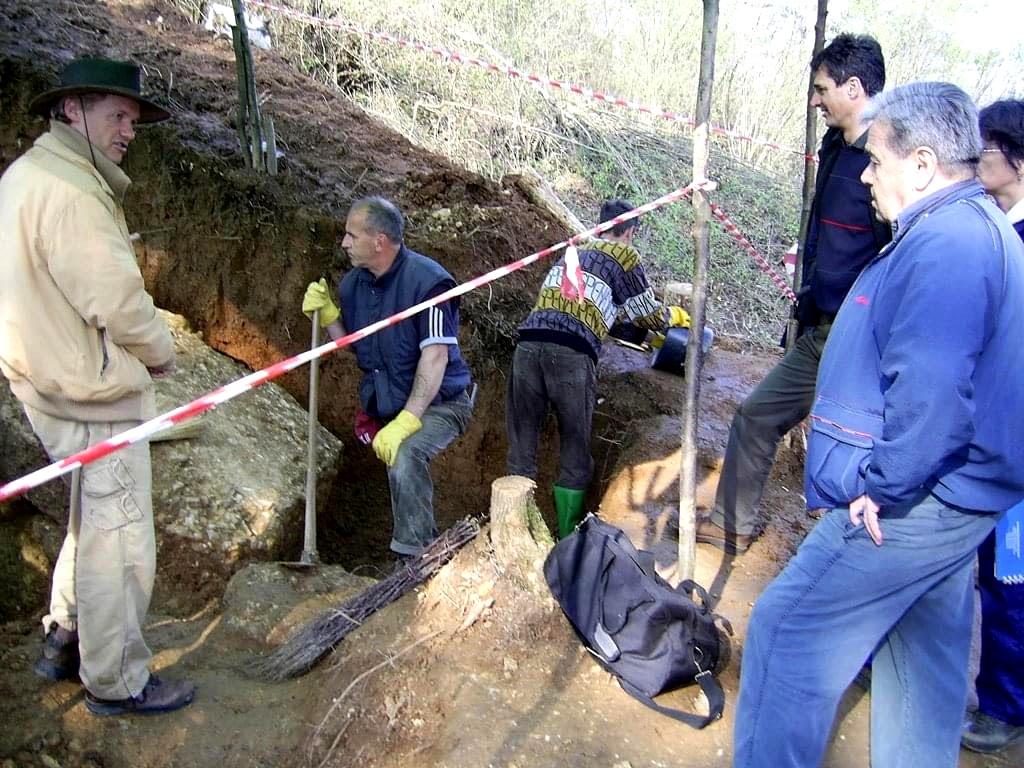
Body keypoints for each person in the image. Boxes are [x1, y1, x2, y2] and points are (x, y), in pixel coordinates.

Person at [734, 82, 1024, 768]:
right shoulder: (973, 228)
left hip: (922, 497)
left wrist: (885, 487)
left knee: (784, 630)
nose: (865, 174)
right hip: (963, 495)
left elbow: (934, 396)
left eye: (877, 160)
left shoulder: (949, 245)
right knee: (920, 655)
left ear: (922, 165)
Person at [0, 58, 195, 715]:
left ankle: (64, 637)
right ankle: (116, 680)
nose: (128, 131)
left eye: (133, 121)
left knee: (91, 520)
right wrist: (161, 353)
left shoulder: (27, 175)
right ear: (71, 111)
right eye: (118, 115)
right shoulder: (75, 194)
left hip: (46, 382)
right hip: (94, 393)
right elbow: (116, 298)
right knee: (120, 540)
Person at [697, 34, 890, 554]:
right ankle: (732, 522)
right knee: (759, 417)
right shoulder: (835, 146)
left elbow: (893, 259)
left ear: (854, 88)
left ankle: (846, 553)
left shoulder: (887, 162)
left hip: (856, 335)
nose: (814, 100)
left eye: (822, 88)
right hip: (822, 323)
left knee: (838, 448)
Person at [505, 198, 691, 538]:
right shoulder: (625, 256)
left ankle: (515, 533)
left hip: (528, 344)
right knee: (575, 451)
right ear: (630, 231)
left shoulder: (574, 251)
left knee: (522, 446)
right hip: (571, 352)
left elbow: (587, 304)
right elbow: (646, 315)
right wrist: (674, 318)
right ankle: (567, 541)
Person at [302, 197, 474, 558]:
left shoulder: (429, 284)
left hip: (442, 402)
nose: (344, 243)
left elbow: (436, 355)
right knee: (398, 457)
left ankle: (418, 558)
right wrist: (331, 316)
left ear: (379, 240)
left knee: (406, 454)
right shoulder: (353, 286)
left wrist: (408, 420)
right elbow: (357, 348)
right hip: (390, 401)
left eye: (351, 235)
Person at [960, 98, 1024, 755]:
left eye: (986, 150)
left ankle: (1006, 705)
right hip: (994, 433)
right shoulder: (1000, 232)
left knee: (1010, 575)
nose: (978, 160)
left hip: (1015, 443)